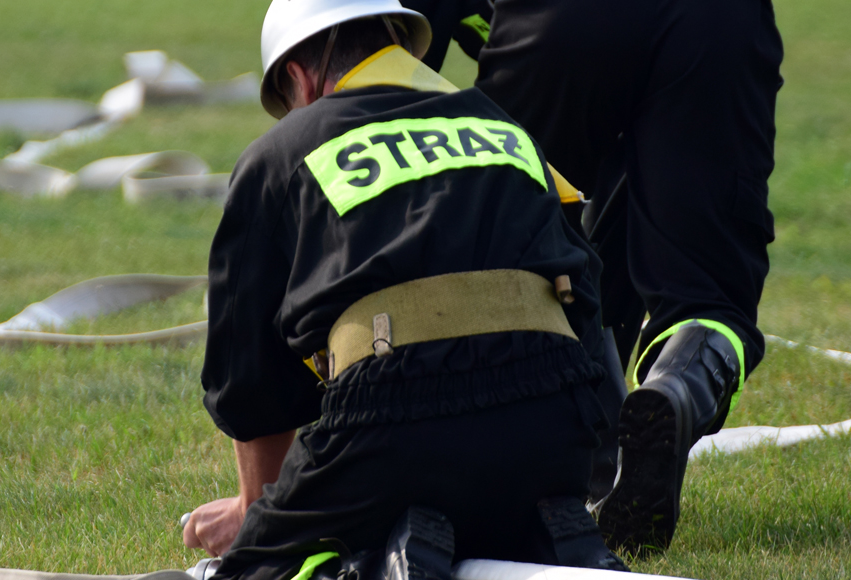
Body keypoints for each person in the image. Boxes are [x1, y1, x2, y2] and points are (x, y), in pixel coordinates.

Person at [181, 0, 629, 578]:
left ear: (297, 75)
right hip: (551, 430)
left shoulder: (282, 153)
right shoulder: (503, 127)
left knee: (260, 569)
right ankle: (550, 539)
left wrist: (261, 514)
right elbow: (585, 294)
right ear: (396, 41)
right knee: (499, 512)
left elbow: (247, 378)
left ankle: (370, 565)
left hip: (392, 428)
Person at [398, 0, 784, 555]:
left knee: (509, 257)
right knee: (708, 298)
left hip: (564, 20)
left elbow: (378, 69)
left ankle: (574, 462)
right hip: (722, 19)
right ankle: (673, 388)